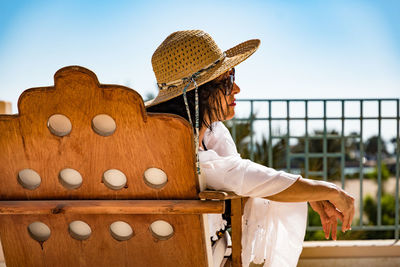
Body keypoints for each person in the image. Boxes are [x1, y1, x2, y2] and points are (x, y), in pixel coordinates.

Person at [146, 30, 354, 267]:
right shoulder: (186, 155)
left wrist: (311, 193)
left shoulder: (210, 137)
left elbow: (245, 176)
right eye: (228, 80)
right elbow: (242, 176)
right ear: (200, 93)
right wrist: (329, 191)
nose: (237, 89)